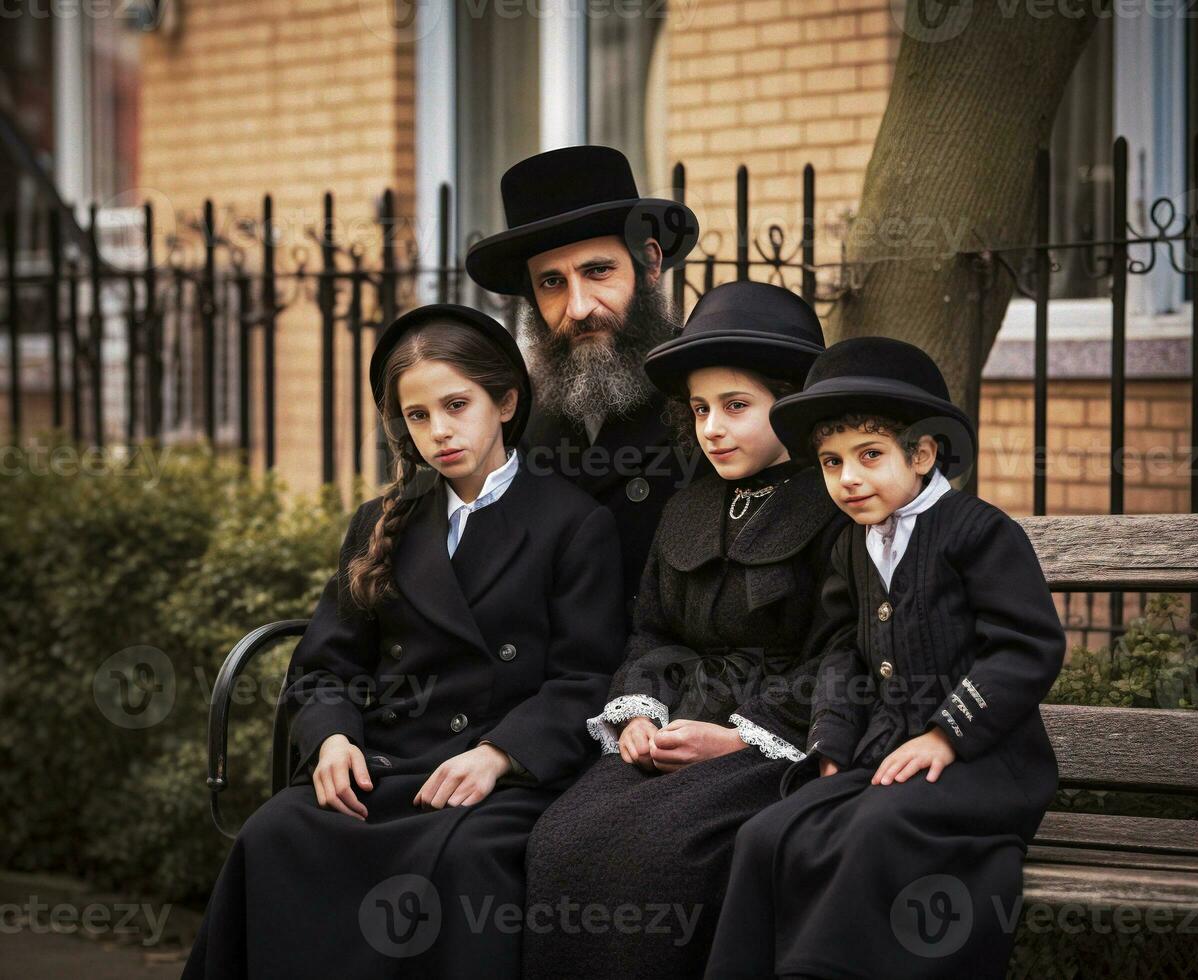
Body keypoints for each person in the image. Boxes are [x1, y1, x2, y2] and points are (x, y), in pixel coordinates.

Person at [181, 304, 625, 980]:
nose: (439, 431)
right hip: (384, 764)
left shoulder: (572, 523)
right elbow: (326, 665)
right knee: (278, 830)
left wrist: (499, 754)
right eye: (417, 416)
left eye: (456, 405)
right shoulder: (382, 522)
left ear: (505, 401)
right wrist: (330, 738)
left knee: (467, 861)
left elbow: (585, 678)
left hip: (498, 777)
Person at [703, 337, 1066, 980]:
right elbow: (843, 652)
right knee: (768, 832)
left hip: (982, 762)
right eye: (830, 461)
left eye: (870, 456)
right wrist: (834, 741)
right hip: (883, 754)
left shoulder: (978, 532)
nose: (848, 478)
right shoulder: (853, 545)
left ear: (922, 453)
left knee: (874, 832)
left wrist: (946, 735)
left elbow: (1026, 646)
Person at [523, 281, 849, 979]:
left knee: (669, 858)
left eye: (736, 407)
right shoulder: (690, 505)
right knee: (561, 840)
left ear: (791, 406)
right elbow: (652, 631)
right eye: (699, 409)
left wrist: (740, 736)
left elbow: (844, 654)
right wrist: (640, 712)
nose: (712, 429)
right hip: (678, 731)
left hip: (772, 745)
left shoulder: (836, 510)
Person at [466, 144, 703, 612]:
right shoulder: (517, 421)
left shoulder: (709, 399)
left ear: (650, 264)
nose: (578, 308)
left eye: (598, 271)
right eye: (552, 282)